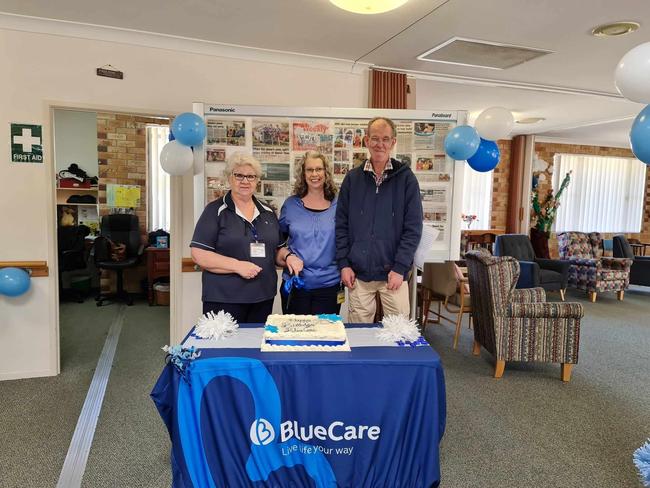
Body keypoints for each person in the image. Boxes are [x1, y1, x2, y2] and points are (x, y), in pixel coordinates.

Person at [335, 117, 423, 323]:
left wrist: (400, 267)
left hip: (393, 273)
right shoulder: (352, 179)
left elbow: (413, 228)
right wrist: (344, 264)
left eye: (385, 139)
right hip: (358, 273)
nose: (379, 144)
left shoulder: (406, 179)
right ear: (366, 141)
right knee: (358, 334)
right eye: (374, 138)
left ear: (393, 142)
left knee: (398, 331)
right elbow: (341, 225)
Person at [190, 152, 281, 323]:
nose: (245, 181)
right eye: (239, 175)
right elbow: (198, 254)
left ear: (257, 180)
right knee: (223, 349)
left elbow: (278, 250)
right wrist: (237, 266)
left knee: (256, 347)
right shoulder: (214, 211)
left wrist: (289, 257)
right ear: (229, 178)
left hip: (263, 297)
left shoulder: (268, 212)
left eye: (251, 176)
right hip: (224, 299)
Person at [277, 151, 341, 314]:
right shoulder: (290, 205)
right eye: (309, 170)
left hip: (330, 286)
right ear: (303, 174)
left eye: (319, 169)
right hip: (296, 285)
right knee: (295, 337)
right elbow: (278, 245)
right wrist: (288, 257)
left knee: (326, 337)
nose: (314, 174)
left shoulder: (339, 205)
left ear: (326, 173)